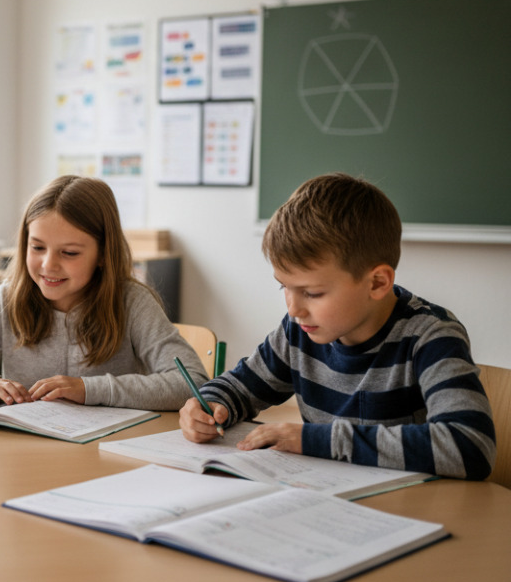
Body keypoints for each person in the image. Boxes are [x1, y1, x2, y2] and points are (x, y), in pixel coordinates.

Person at [180, 173, 495, 480]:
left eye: (312, 293)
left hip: (412, 510)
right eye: (284, 288)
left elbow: (469, 445)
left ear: (377, 282)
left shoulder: (430, 335)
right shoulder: (299, 330)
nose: (294, 308)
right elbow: (239, 388)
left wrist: (318, 440)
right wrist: (209, 406)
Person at [0, 175, 206, 410]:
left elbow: (191, 382)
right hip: (28, 452)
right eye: (37, 247)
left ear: (103, 254)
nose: (48, 265)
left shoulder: (132, 303)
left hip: (107, 456)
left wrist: (89, 389)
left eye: (69, 252)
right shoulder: (9, 298)